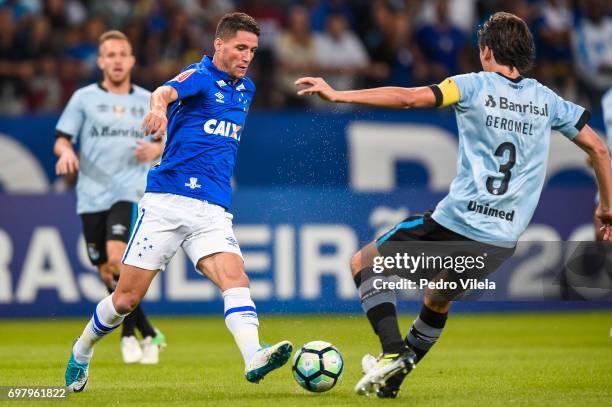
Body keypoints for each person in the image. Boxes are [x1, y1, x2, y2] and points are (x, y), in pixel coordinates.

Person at [296, 11, 612, 398]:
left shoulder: (472, 86)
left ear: (486, 50)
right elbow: (599, 149)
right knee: (437, 299)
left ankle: (392, 353)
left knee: (364, 262)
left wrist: (339, 93)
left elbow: (410, 98)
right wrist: (606, 207)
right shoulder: (547, 101)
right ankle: (391, 382)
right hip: (501, 239)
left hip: (456, 223)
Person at [64, 13, 292, 393]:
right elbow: (165, 92)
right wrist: (157, 110)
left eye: (252, 50)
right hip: (168, 202)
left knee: (236, 279)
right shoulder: (199, 76)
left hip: (213, 210)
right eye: (239, 47)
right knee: (126, 299)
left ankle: (253, 354)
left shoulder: (246, 89)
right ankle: (83, 348)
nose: (246, 56)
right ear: (218, 45)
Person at [54, 30, 166, 367]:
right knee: (106, 272)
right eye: (110, 55)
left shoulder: (149, 99)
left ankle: (129, 338)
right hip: (90, 196)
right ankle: (149, 333)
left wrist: (157, 148)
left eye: (123, 54)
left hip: (129, 192)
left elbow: (171, 143)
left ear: (132, 60)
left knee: (118, 261)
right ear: (101, 61)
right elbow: (61, 139)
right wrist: (66, 153)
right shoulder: (84, 98)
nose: (117, 60)